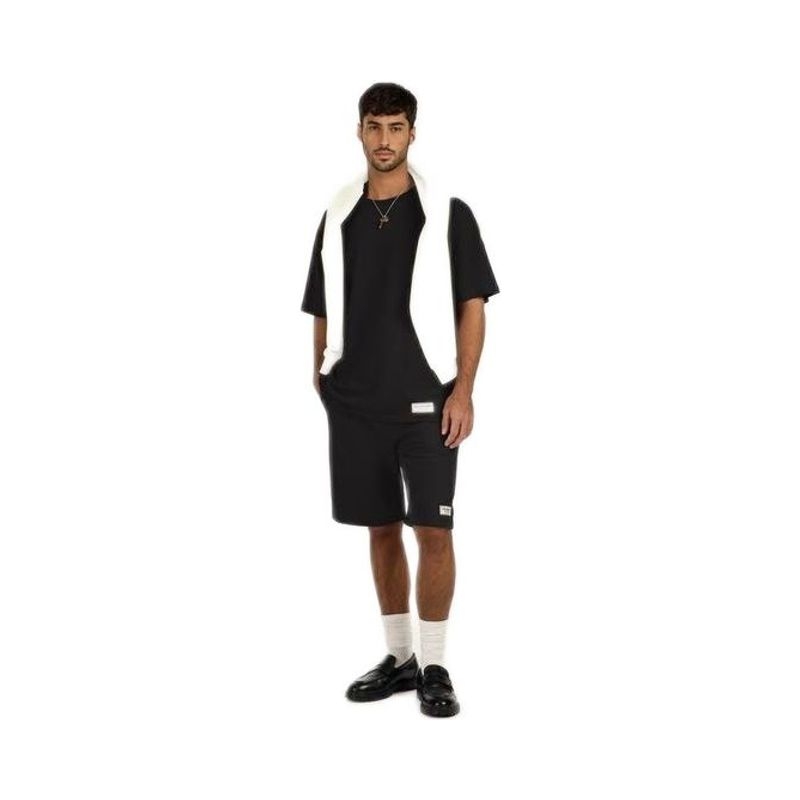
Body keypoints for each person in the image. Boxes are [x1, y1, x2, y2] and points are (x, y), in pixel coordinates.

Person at [300, 82, 499, 717]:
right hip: (355, 403)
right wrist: (321, 373)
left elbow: (473, 304)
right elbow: (322, 302)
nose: (384, 139)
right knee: (380, 527)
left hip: (425, 402)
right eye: (374, 126)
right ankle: (400, 658)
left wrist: (463, 391)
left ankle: (436, 664)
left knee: (433, 530)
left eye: (395, 127)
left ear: (413, 133)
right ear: (359, 131)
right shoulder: (338, 214)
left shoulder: (447, 214)